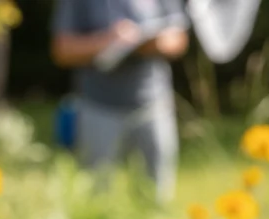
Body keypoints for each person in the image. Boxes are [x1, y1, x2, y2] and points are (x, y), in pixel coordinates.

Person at [51, 0, 187, 200]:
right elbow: (62, 50)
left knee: (156, 195)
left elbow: (179, 39)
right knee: (95, 195)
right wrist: (108, 41)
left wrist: (150, 42)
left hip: (154, 105)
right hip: (98, 106)